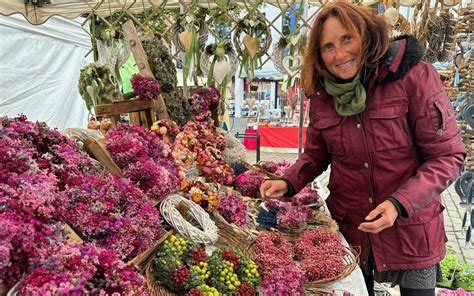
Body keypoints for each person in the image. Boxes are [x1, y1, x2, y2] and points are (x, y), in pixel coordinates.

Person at [259, 2, 466, 296]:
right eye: (328, 47)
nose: (339, 55)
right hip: (354, 228)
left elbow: (448, 156)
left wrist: (399, 204)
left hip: (413, 227)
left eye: (347, 39)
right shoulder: (322, 93)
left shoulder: (413, 76)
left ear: (367, 36)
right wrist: (288, 180)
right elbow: (316, 154)